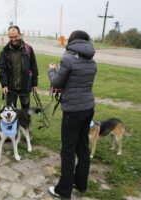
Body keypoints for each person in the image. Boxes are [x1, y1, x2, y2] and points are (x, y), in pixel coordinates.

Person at [47, 30, 97, 200]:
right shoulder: (92, 61)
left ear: (72, 41)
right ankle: (81, 183)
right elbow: (76, 82)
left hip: (73, 111)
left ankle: (63, 190)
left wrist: (51, 70)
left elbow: (57, 82)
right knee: (82, 146)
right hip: (88, 108)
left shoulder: (67, 59)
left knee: (68, 150)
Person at [0, 25, 38, 109]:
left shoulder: (29, 49)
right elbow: (1, 69)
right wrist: (4, 85)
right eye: (10, 37)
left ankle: (25, 123)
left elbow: (34, 67)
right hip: (11, 89)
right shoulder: (4, 51)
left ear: (20, 35)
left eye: (15, 36)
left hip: (25, 87)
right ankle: (14, 123)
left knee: (26, 112)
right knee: (11, 112)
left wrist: (34, 84)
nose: (13, 39)